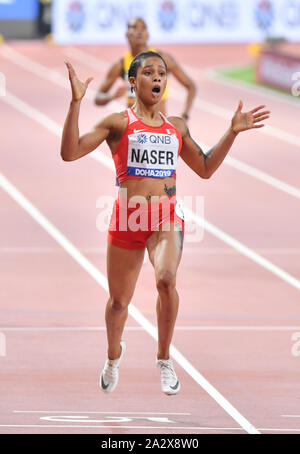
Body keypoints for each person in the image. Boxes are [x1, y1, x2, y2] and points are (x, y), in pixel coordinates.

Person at [61, 51, 270, 395]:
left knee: (166, 281)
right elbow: (69, 153)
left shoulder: (176, 127)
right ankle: (114, 357)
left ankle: (164, 358)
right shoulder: (118, 123)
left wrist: (231, 133)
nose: (157, 78)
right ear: (133, 82)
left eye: (162, 73)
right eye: (149, 72)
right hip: (128, 219)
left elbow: (204, 169)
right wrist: (75, 102)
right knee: (118, 304)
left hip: (165, 219)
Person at [94, 17, 196, 120]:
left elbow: (191, 86)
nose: (139, 31)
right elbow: (98, 98)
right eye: (134, 27)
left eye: (143, 28)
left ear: (147, 34)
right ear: (127, 34)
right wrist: (112, 96)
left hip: (159, 128)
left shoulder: (162, 58)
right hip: (134, 129)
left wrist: (185, 115)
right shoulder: (121, 64)